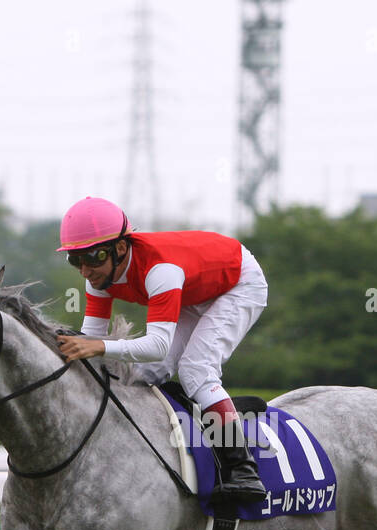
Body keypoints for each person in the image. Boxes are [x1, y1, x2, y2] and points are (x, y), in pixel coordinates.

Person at [55, 196, 268, 504]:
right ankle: (204, 419)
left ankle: (243, 470)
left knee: (196, 370)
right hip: (195, 288)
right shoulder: (98, 278)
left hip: (238, 283)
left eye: (94, 256)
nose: (86, 271)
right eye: (76, 260)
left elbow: (156, 345)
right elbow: (90, 340)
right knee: (145, 374)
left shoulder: (160, 271)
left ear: (121, 248)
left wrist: (97, 346)